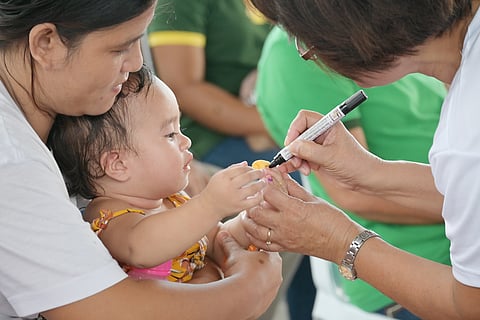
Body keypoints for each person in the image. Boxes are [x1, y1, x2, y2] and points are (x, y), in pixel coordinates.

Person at [0, 1, 282, 319]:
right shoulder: (12, 161)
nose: (136, 62)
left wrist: (239, 235)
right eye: (120, 47)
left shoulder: (58, 114)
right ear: (46, 43)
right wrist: (248, 289)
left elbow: (210, 235)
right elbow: (106, 309)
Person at [242, 0, 480, 319]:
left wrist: (341, 241)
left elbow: (468, 307)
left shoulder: (465, 137)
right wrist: (370, 171)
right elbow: (470, 191)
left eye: (307, 43)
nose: (307, 54)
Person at [48, 66, 279, 285]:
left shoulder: (175, 201)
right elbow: (141, 248)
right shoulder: (108, 218)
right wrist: (211, 204)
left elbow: (219, 239)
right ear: (118, 164)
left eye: (180, 130)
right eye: (170, 134)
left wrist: (252, 219)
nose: (186, 142)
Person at [147, 0, 278, 169]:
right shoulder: (180, 4)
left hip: (272, 121)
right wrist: (277, 124)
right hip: (212, 140)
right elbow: (184, 90)